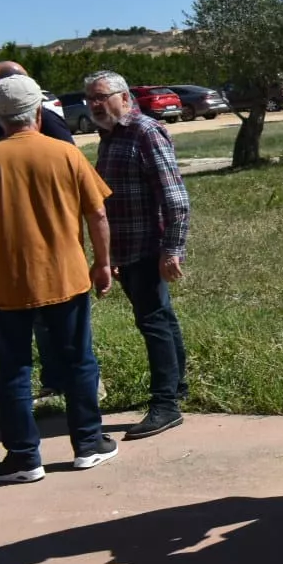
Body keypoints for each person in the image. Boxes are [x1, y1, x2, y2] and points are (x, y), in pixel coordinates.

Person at [0, 75, 118, 482]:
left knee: (14, 369)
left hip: (7, 284)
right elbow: (98, 214)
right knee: (78, 361)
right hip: (65, 278)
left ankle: (23, 457)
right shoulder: (65, 155)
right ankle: (88, 444)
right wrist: (103, 263)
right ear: (38, 111)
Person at [0, 60, 94, 406]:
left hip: (54, 251)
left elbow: (78, 183)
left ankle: (62, 388)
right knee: (43, 333)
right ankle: (83, 430)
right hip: (21, 255)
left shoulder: (48, 125)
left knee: (54, 338)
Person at [86, 71, 191, 440]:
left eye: (102, 97)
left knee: (154, 322)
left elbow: (175, 198)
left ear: (125, 97)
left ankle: (165, 405)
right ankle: (176, 389)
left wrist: (172, 249)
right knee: (160, 317)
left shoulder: (145, 131)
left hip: (148, 247)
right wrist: (110, 252)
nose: (95, 105)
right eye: (90, 99)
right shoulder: (110, 135)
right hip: (127, 248)